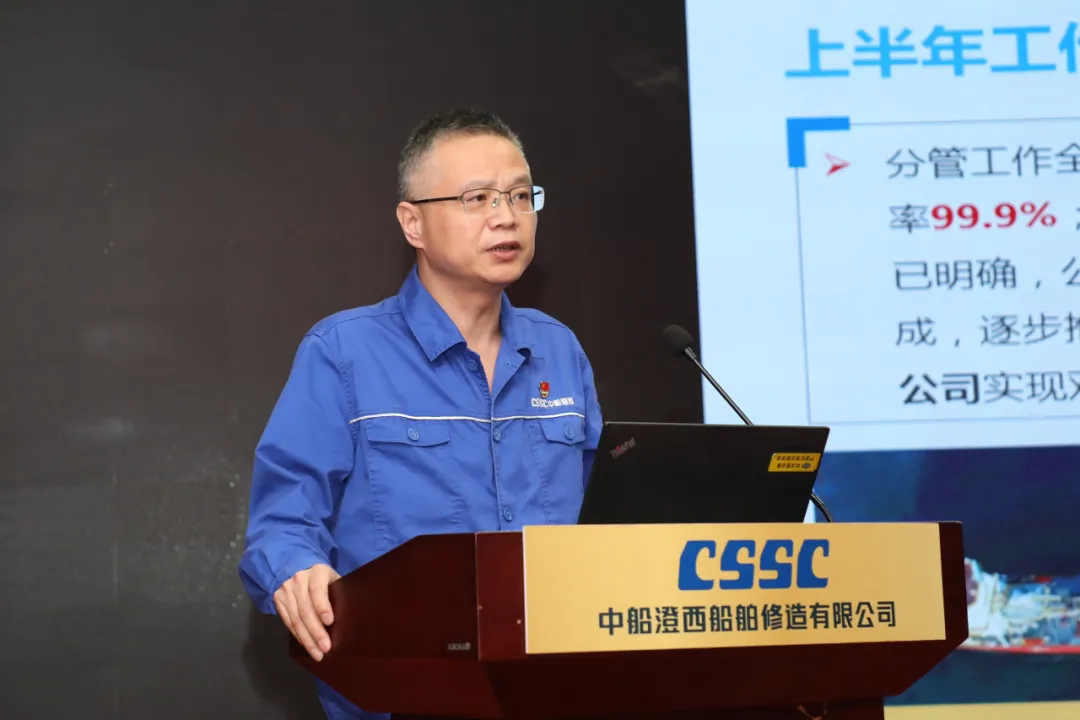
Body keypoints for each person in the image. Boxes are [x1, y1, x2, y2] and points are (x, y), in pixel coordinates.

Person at [237, 108, 603, 719]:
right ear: (413, 223)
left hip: (555, 691)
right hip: (408, 694)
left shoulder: (559, 350)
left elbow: (606, 521)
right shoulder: (344, 353)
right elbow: (282, 521)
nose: (506, 216)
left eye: (520, 195)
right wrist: (297, 571)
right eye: (478, 198)